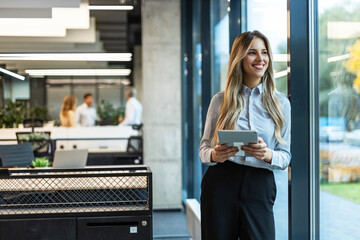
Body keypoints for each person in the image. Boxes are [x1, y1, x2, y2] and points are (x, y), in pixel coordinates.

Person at [199, 30, 291, 240]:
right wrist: (215, 155)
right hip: (221, 182)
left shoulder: (281, 103)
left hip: (260, 185)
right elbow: (203, 149)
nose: (261, 59)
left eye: (265, 52)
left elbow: (285, 156)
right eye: (252, 52)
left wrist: (267, 154)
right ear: (239, 58)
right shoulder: (220, 101)